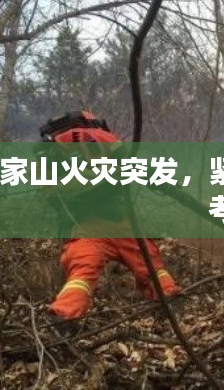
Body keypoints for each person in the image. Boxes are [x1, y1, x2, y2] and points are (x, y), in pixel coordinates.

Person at [40, 111, 181, 322]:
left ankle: (63, 316)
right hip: (122, 223)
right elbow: (132, 162)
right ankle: (169, 301)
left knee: (82, 273)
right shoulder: (99, 137)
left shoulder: (52, 153)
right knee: (151, 267)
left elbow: (51, 195)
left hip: (87, 227)